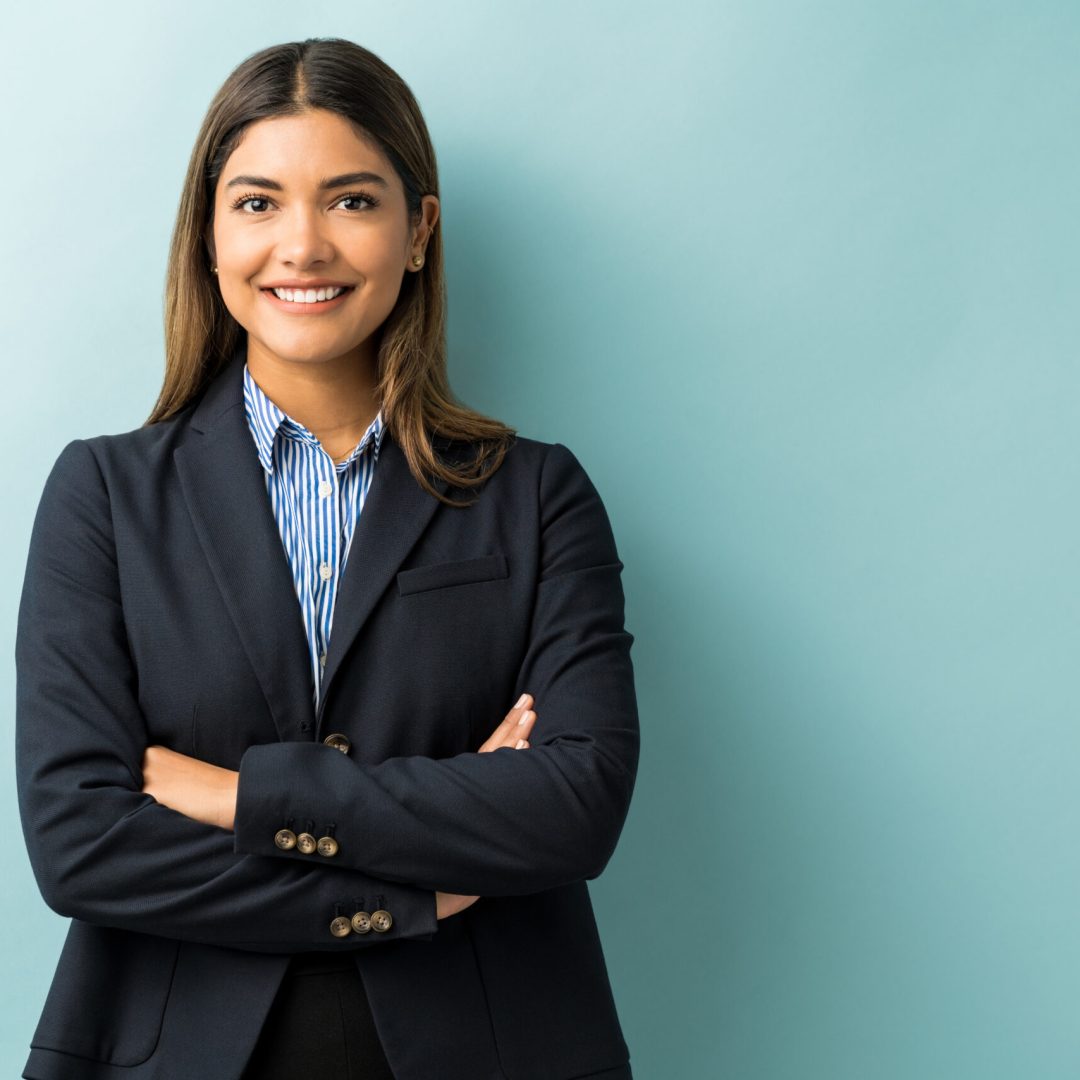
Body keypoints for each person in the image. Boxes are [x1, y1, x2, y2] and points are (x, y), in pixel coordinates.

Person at [15, 37, 640, 1080]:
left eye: (351, 200)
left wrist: (239, 797)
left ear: (419, 231)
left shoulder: (535, 494)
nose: (301, 245)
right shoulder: (105, 496)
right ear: (209, 237)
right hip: (171, 1050)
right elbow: (81, 842)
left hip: (492, 1046)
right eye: (258, 203)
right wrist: (397, 896)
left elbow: (574, 810)